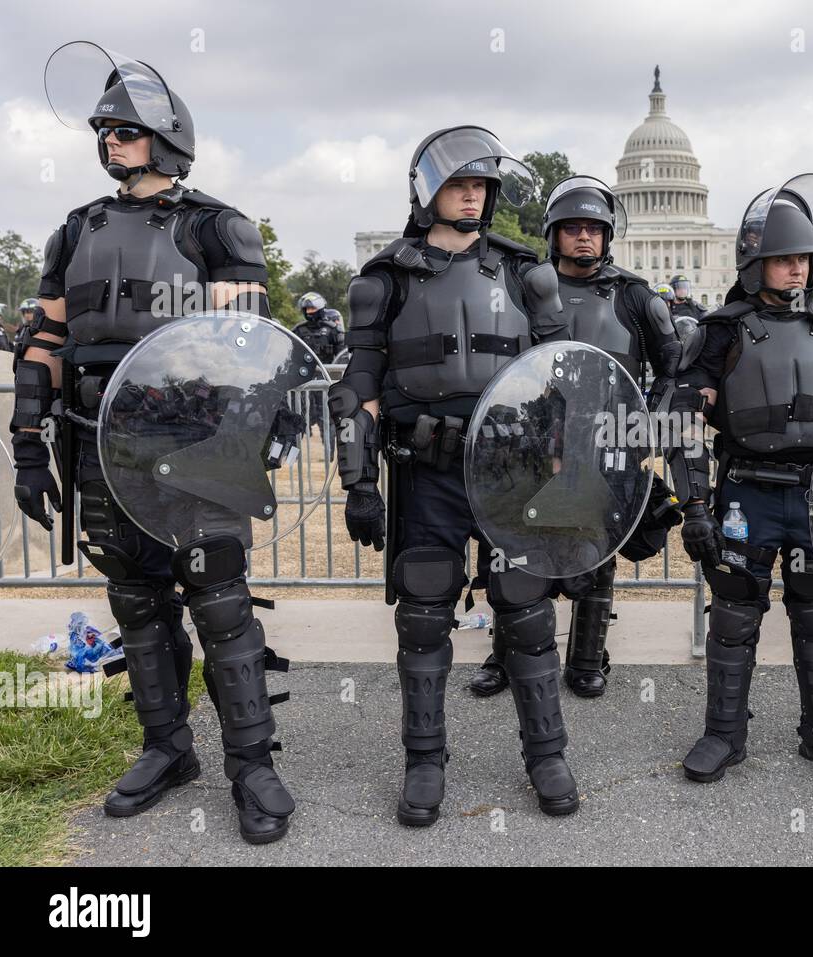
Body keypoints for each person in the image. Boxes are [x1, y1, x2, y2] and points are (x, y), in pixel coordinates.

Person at [14, 43, 294, 842]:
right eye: (104, 131)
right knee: (136, 603)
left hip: (193, 448)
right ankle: (167, 747)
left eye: (126, 131)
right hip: (98, 443)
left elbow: (246, 352)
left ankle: (253, 765)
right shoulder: (74, 232)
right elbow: (41, 345)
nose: (111, 142)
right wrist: (28, 446)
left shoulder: (217, 227)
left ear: (167, 137)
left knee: (221, 603)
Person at [328, 126, 580, 825]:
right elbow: (358, 387)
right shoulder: (385, 277)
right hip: (426, 471)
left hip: (511, 471)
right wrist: (359, 482)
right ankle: (424, 760)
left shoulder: (528, 272)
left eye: (481, 185)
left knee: (527, 612)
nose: (471, 195)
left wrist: (564, 477)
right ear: (426, 190)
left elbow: (560, 381)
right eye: (458, 183)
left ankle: (547, 753)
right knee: (424, 618)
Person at [668, 174, 813, 783]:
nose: (796, 270)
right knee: (734, 619)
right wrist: (695, 506)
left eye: (803, 259)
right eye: (783, 259)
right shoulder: (721, 330)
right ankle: (723, 735)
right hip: (747, 495)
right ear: (756, 263)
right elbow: (685, 418)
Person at [467, 175, 681, 699]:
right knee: (513, 551)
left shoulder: (635, 298)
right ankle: (506, 654)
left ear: (608, 236)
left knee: (596, 552)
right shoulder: (522, 288)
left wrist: (647, 422)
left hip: (605, 441)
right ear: (554, 234)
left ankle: (587, 657)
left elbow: (675, 371)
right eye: (573, 229)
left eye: (594, 229)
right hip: (532, 444)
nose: (584, 238)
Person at [291, 292, 344, 432]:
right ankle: (296, 452)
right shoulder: (298, 330)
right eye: (307, 309)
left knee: (327, 420)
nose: (309, 312)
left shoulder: (333, 329)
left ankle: (330, 452)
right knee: (300, 417)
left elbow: (342, 356)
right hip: (303, 381)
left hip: (326, 381)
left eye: (312, 309)